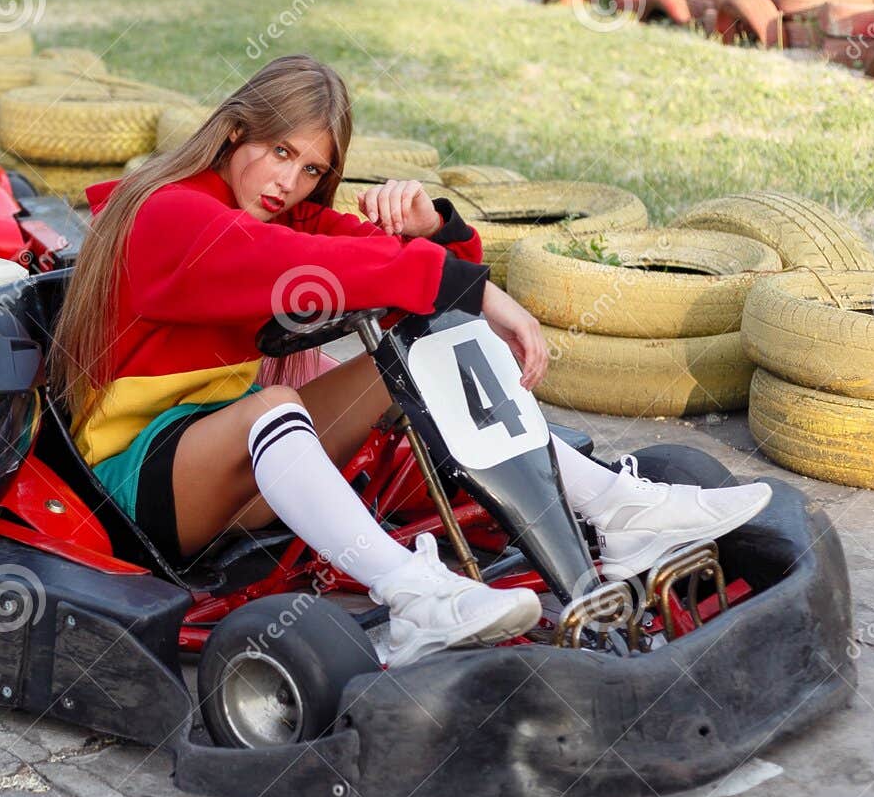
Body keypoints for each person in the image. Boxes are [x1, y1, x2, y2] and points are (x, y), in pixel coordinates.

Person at [49, 54, 771, 666]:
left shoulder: (275, 212)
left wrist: (438, 230)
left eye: (311, 169)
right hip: (136, 481)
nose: (291, 182)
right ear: (236, 130)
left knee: (411, 347)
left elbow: (400, 276)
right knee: (275, 407)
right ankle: (414, 596)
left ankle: (615, 507)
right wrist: (490, 296)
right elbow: (313, 263)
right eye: (279, 153)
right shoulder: (169, 214)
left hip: (227, 466)